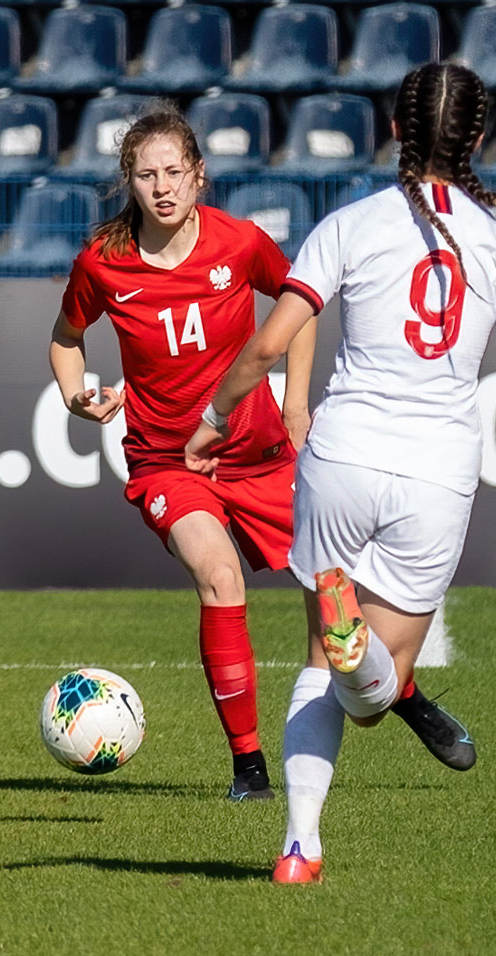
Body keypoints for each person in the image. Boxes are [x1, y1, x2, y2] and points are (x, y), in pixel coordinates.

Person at [184, 63, 496, 883]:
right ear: (478, 138)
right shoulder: (494, 243)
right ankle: (367, 663)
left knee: (319, 664)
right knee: (368, 694)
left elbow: (268, 343)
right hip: (435, 474)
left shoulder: (351, 224)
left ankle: (299, 849)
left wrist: (214, 421)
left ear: (394, 130)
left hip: (341, 458)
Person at [49, 100, 319, 801]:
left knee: (336, 592)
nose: (162, 187)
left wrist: (295, 403)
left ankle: (403, 696)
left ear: (199, 174)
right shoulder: (103, 263)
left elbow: (301, 306)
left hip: (260, 455)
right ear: (129, 182)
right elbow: (67, 338)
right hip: (169, 464)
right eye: (147, 175)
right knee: (220, 578)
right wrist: (77, 396)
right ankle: (249, 767)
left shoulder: (240, 243)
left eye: (174, 172)